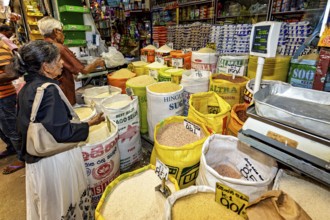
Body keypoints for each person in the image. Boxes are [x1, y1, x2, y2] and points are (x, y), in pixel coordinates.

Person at [7, 40, 105, 219]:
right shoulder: (48, 90)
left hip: (36, 161)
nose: (62, 63)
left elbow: (22, 127)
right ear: (46, 67)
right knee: (64, 202)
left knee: (47, 204)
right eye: (58, 60)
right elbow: (62, 133)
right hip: (54, 162)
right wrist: (90, 123)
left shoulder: (25, 88)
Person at [37, 16, 105, 105]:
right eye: (62, 31)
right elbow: (84, 70)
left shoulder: (42, 45)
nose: (63, 35)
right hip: (63, 90)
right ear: (56, 31)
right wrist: (97, 62)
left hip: (49, 90)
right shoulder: (58, 47)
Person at [0, 29, 25, 174]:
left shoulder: (1, 48)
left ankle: (22, 157)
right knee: (4, 128)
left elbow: (11, 73)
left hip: (4, 97)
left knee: (11, 128)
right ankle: (11, 148)